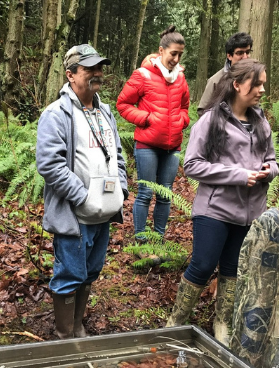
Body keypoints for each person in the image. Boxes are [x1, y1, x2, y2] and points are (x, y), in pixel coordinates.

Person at [166, 59, 279, 346]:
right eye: (257, 84)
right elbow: (192, 165)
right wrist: (239, 175)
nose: (262, 90)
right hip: (214, 210)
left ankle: (222, 323)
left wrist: (269, 172)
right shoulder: (211, 121)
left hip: (250, 213)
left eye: (263, 83)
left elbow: (271, 160)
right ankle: (176, 321)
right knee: (203, 265)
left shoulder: (261, 122)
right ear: (238, 85)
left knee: (232, 269)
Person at [36, 44, 127, 339]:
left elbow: (119, 155)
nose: (97, 73)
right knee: (69, 274)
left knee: (90, 272)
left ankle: (77, 327)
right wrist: (83, 196)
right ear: (71, 74)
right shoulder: (56, 114)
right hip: (75, 214)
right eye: (89, 69)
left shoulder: (105, 112)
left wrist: (121, 189)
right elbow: (50, 165)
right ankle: (65, 335)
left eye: (99, 67)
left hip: (105, 211)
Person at [117, 26, 190, 247]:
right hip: (147, 145)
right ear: (161, 51)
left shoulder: (180, 78)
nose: (176, 59)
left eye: (180, 55)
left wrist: (181, 121)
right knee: (146, 192)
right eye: (173, 54)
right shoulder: (143, 75)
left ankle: (158, 239)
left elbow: (185, 108)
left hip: (172, 147)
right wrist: (145, 118)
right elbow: (123, 104)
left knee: (165, 194)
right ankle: (140, 239)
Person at [197, 32, 253, 116]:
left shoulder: (253, 79)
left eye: (247, 52)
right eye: (240, 53)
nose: (245, 57)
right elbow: (202, 111)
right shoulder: (216, 81)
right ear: (229, 56)